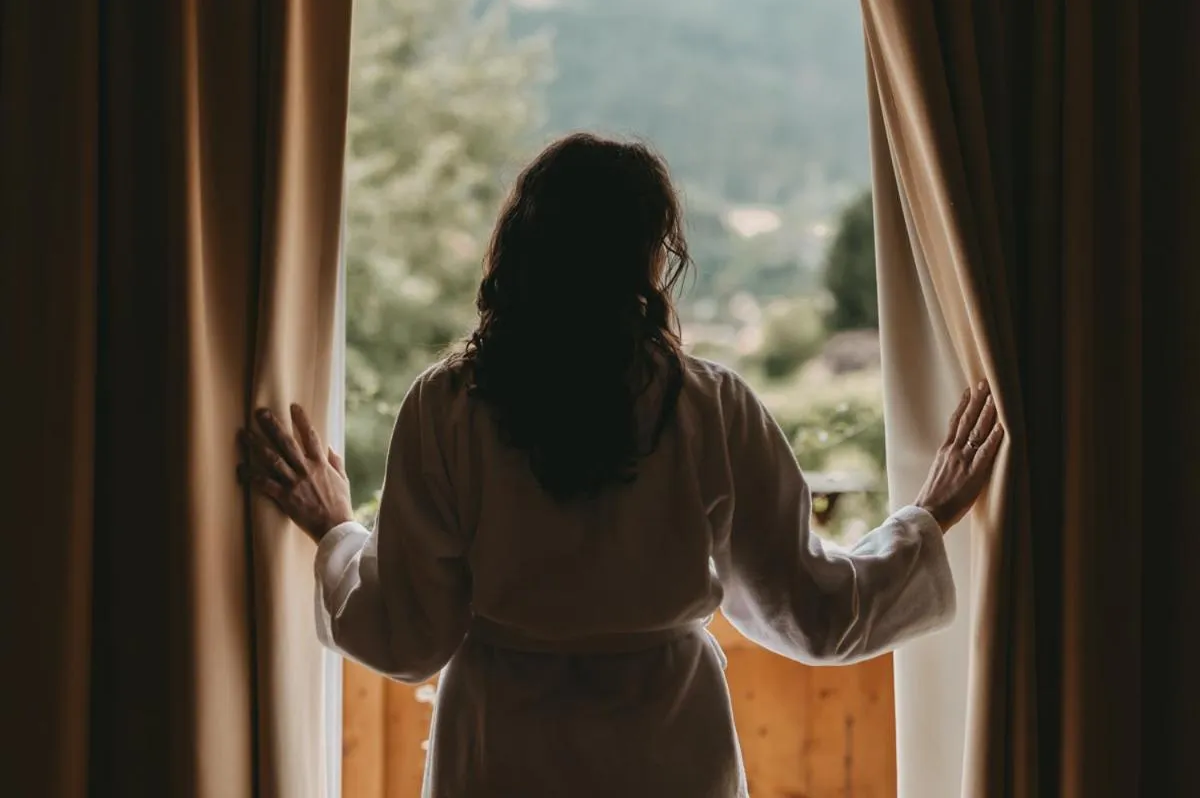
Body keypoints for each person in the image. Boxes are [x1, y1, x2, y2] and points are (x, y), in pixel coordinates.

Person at [238, 133, 1003, 797]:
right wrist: (927, 517)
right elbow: (815, 613)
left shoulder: (448, 408)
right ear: (649, 257)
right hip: (667, 758)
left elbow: (407, 636)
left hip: (501, 757)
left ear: (518, 247)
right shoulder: (712, 409)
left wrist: (336, 528)